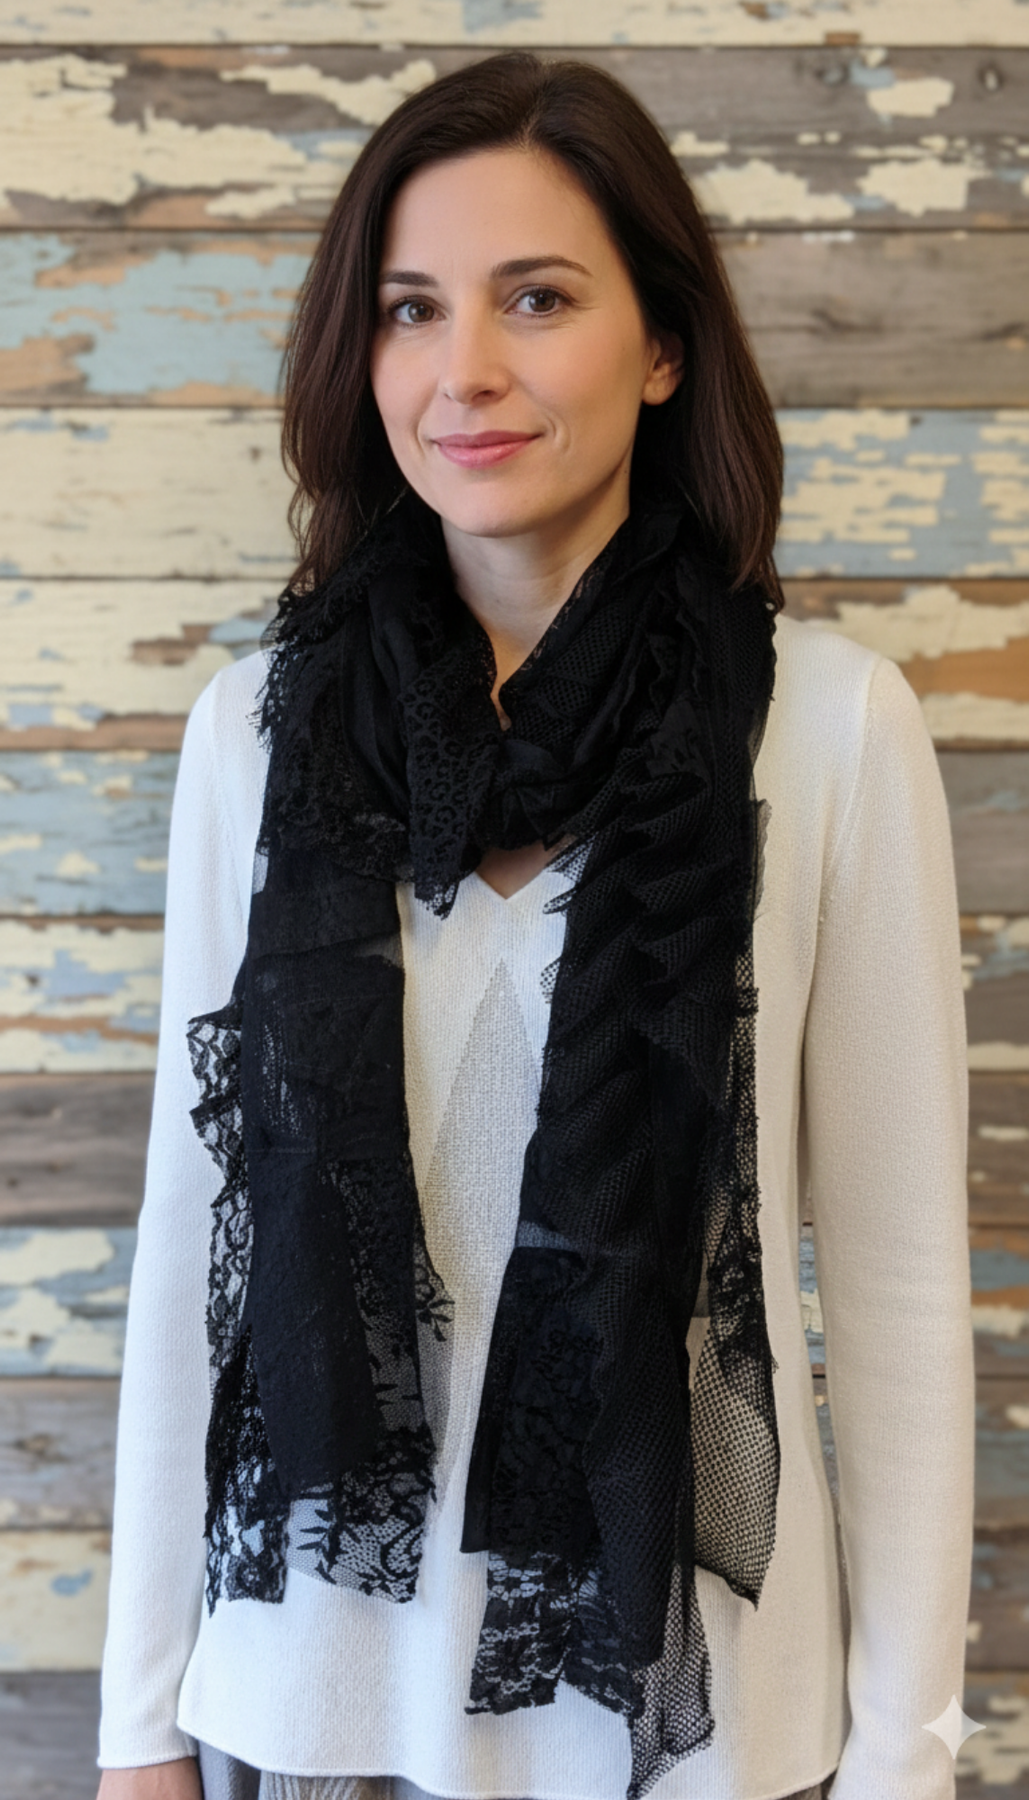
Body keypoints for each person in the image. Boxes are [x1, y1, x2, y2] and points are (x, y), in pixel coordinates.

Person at [95, 50, 975, 1800]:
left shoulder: (828, 730)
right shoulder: (256, 738)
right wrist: (137, 1733)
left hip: (690, 1737)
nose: (466, 370)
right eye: (411, 309)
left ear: (663, 348)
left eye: (539, 298)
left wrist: (905, 1758)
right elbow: (196, 1247)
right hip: (308, 1713)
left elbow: (892, 1290)